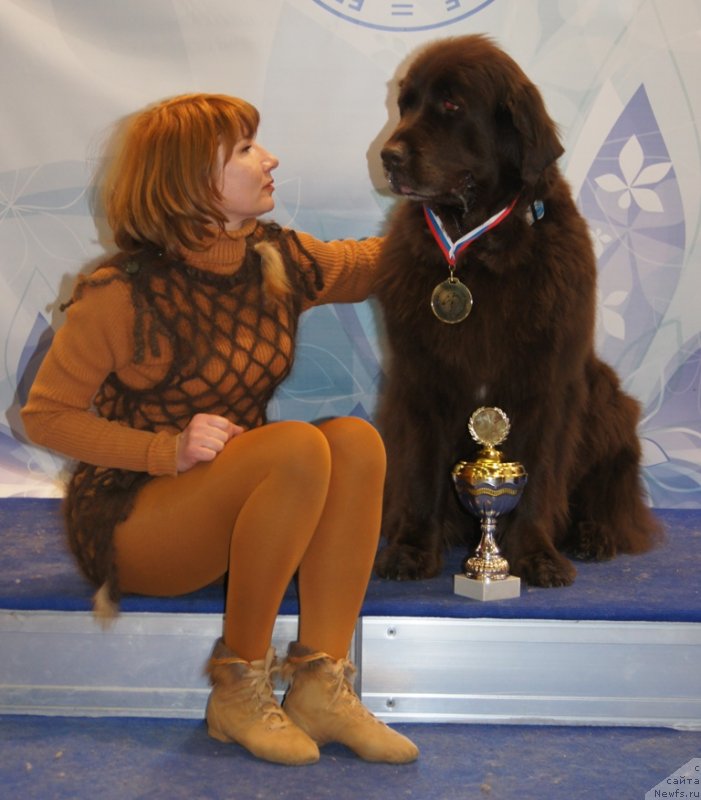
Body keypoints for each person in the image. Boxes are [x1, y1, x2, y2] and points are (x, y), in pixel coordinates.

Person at [21, 93, 419, 766]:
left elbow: (369, 262)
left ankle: (322, 685)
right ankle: (237, 687)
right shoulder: (120, 291)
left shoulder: (274, 257)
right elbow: (45, 415)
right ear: (190, 180)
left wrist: (471, 229)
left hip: (228, 509)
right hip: (131, 519)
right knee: (294, 445)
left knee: (354, 442)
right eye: (243, 149)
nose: (269, 159)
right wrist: (162, 450)